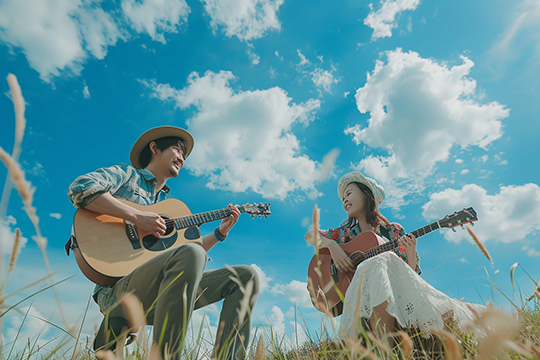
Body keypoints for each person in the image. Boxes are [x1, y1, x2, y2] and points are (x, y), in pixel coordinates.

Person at [68, 126, 259, 360]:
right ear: (154, 147)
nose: (182, 158)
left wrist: (219, 233)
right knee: (191, 253)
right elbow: (81, 188)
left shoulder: (168, 206)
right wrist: (137, 216)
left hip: (165, 293)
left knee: (246, 276)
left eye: (185, 156)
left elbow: (188, 257)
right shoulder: (128, 176)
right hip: (116, 289)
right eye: (178, 150)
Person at [309, 171, 484, 342]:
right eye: (343, 198)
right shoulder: (344, 234)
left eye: (348, 194)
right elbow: (310, 235)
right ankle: (383, 344)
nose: (344, 200)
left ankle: (387, 344)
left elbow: (409, 279)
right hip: (363, 306)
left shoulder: (393, 231)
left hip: (395, 299)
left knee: (380, 262)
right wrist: (332, 246)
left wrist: (410, 253)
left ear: (366, 194)